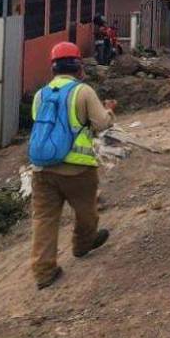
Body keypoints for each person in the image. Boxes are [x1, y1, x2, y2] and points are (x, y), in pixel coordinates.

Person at [29, 42, 116, 289]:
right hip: (77, 170)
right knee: (86, 212)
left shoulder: (41, 94)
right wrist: (109, 111)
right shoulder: (83, 91)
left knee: (44, 219)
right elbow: (100, 124)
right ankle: (82, 244)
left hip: (42, 170)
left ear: (53, 68)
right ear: (78, 66)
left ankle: (44, 272)